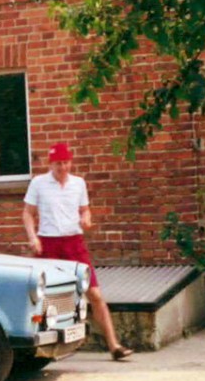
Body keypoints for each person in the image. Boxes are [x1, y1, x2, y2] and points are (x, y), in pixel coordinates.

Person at [22, 143, 133, 361]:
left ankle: (114, 345)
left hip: (74, 243)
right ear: (50, 164)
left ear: (70, 162)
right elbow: (27, 213)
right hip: (49, 243)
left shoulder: (78, 184)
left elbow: (84, 209)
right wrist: (32, 237)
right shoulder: (39, 183)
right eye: (57, 163)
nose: (62, 167)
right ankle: (40, 349)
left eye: (65, 163)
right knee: (46, 297)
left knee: (95, 293)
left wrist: (87, 218)